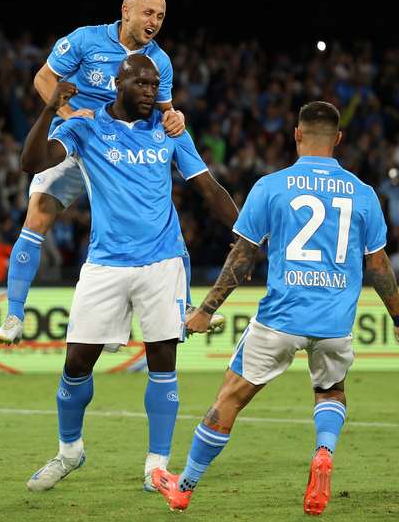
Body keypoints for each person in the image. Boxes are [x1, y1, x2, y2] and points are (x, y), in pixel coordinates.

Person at [151, 101, 399, 515]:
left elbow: (242, 258)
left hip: (280, 317)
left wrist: (205, 309)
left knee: (230, 399)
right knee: (331, 390)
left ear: (296, 134)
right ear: (338, 139)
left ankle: (184, 486)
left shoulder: (271, 186)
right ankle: (324, 452)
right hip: (334, 322)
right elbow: (378, 265)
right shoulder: (363, 194)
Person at [20, 54, 239, 494]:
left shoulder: (170, 130)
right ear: (120, 82)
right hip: (105, 263)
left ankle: (156, 465)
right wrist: (49, 109)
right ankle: (69, 452)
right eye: (142, 84)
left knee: (163, 363)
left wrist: (243, 235)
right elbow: (33, 162)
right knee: (77, 363)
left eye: (156, 86)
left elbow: (207, 186)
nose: (151, 92)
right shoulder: (84, 127)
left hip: (162, 262)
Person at [0, 0, 189, 345]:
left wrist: (176, 118)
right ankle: (14, 315)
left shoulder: (158, 60)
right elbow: (43, 78)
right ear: (125, 11)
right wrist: (68, 113)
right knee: (37, 216)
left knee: (157, 218)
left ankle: (183, 307)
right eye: (148, 13)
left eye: (160, 16)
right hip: (77, 137)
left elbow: (164, 111)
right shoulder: (86, 40)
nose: (155, 22)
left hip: (119, 151)